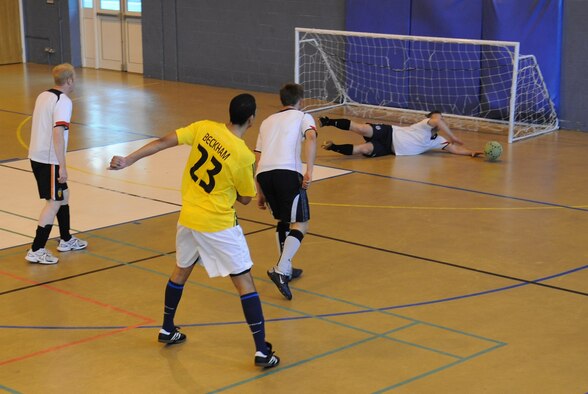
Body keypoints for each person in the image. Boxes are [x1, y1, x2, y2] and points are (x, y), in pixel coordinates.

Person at [108, 93, 279, 369]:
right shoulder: (243, 155)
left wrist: (128, 160)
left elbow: (164, 141)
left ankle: (167, 328)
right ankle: (261, 350)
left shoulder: (204, 127)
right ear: (251, 119)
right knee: (245, 283)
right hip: (218, 225)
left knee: (181, 270)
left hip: (188, 217)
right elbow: (246, 198)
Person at [254, 83, 317, 301]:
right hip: (287, 173)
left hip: (265, 174)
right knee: (301, 223)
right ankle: (280, 269)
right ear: (301, 100)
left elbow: (257, 156)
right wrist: (309, 170)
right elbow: (311, 138)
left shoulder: (266, 121)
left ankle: (286, 267)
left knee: (283, 220)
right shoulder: (303, 117)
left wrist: (259, 191)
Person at [25, 63, 88, 265]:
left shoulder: (43, 95)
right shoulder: (64, 101)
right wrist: (62, 165)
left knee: (64, 195)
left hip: (37, 155)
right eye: (74, 78)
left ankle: (66, 239)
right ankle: (37, 249)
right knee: (53, 202)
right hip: (49, 159)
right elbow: (57, 132)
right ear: (69, 80)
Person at [319, 111, 483, 158]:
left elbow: (454, 149)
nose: (440, 121)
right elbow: (439, 123)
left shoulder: (437, 140)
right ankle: (328, 122)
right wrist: (453, 136)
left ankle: (333, 146)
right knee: (362, 128)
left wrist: (471, 152)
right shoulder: (424, 125)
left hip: (389, 149)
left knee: (363, 149)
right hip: (389, 132)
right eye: (437, 118)